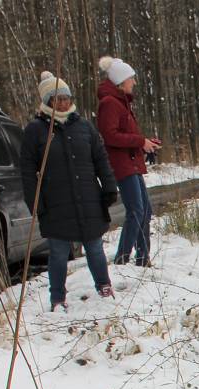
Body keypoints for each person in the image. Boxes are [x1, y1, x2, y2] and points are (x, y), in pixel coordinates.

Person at [20, 71, 118, 311]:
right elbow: (27, 169)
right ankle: (57, 298)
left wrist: (108, 186)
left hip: (88, 198)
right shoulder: (35, 130)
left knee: (94, 246)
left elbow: (100, 159)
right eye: (58, 98)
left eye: (66, 97)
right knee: (59, 252)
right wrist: (35, 201)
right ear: (47, 101)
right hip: (56, 202)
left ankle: (104, 286)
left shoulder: (84, 126)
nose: (64, 102)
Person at [96, 55, 160, 267]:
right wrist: (139, 141)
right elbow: (110, 136)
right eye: (131, 78)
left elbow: (124, 135)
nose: (134, 82)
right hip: (123, 165)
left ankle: (143, 258)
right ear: (121, 81)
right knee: (136, 211)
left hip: (131, 162)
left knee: (145, 211)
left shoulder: (121, 103)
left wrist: (145, 142)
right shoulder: (110, 103)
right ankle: (122, 258)